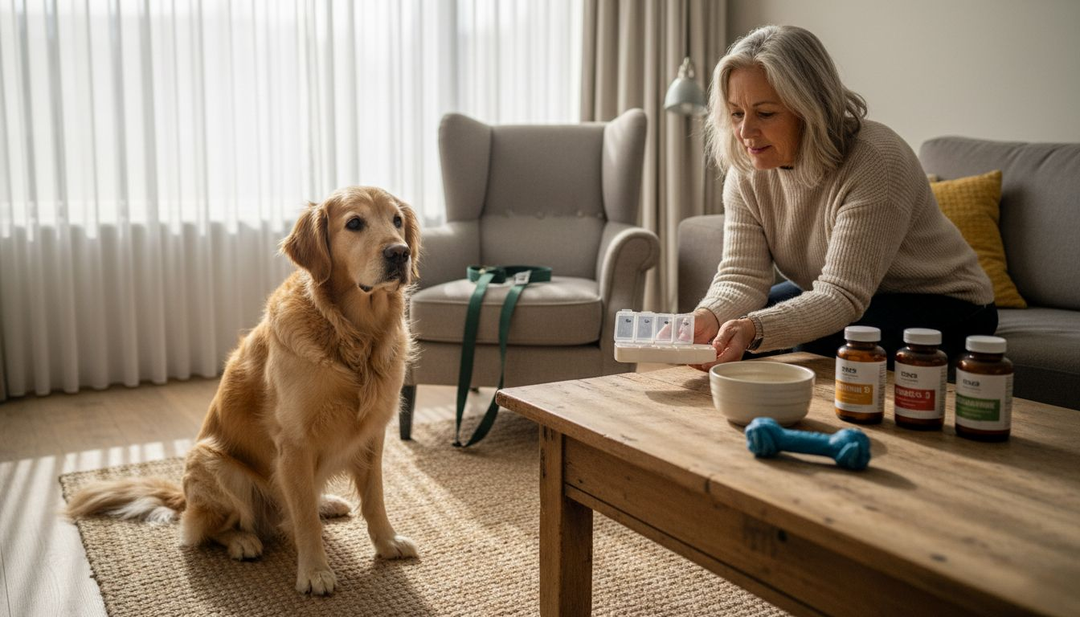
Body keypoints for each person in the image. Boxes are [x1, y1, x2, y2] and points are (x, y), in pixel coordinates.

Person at [691, 25, 996, 371]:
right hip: (856, 298)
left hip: (945, 303)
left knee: (803, 343)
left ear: (810, 108)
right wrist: (709, 316)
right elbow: (741, 277)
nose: (745, 132)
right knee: (730, 335)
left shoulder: (875, 160)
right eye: (736, 113)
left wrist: (755, 329)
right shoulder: (747, 170)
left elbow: (841, 295)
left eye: (765, 113)